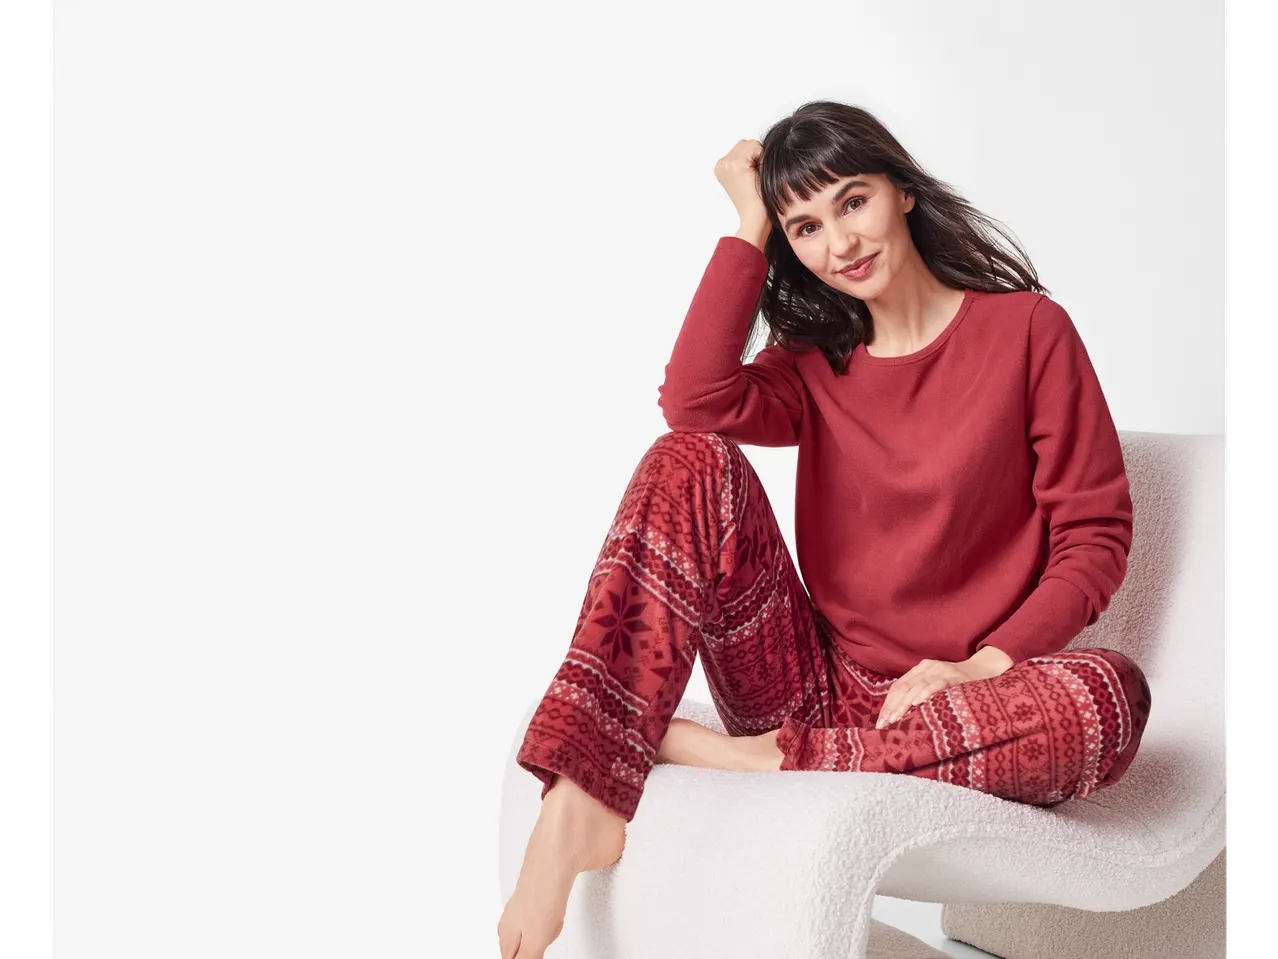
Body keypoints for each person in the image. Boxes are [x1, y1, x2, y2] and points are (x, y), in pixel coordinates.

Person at [496, 100, 1152, 959]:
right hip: (809, 684)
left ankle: (752, 761)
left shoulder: (1029, 333)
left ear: (901, 191)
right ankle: (584, 787)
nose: (838, 245)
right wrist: (748, 222)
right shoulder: (814, 359)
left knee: (1108, 696)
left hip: (963, 699)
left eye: (852, 201)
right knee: (689, 458)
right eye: (805, 226)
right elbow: (694, 403)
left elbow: (1095, 536)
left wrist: (981, 664)